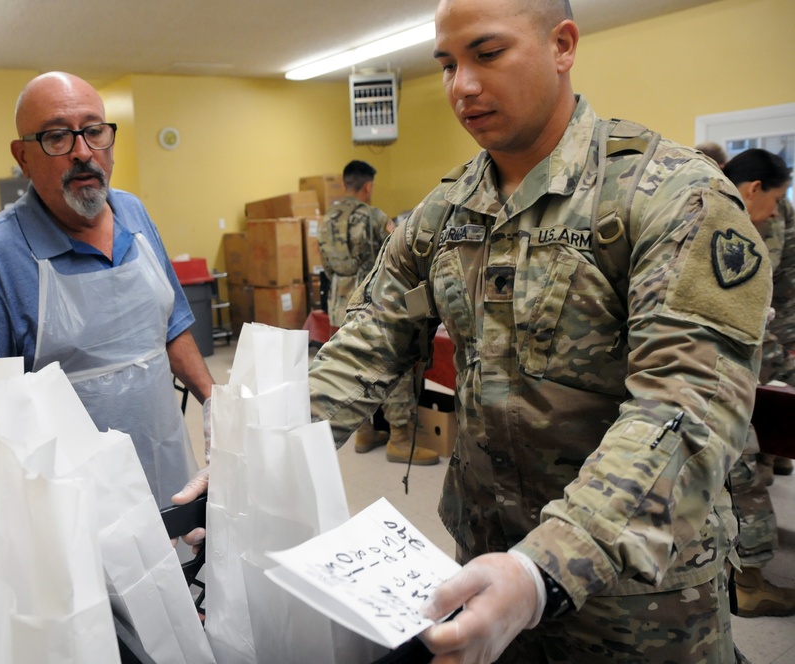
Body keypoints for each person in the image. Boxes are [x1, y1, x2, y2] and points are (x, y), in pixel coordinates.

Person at [307, 0, 772, 661]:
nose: (461, 86)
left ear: (562, 45)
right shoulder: (447, 211)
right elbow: (370, 337)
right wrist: (259, 447)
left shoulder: (669, 193)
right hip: (487, 564)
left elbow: (687, 407)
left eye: (487, 54)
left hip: (636, 598)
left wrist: (544, 568)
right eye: (446, 64)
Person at [0, 71, 214, 509]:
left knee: (177, 566)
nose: (83, 152)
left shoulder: (135, 214)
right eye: (57, 137)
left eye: (94, 131)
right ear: (23, 157)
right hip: (68, 497)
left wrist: (215, 400)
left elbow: (172, 324)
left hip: (165, 462)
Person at [317, 160, 437, 465]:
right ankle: (400, 437)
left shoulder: (326, 217)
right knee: (387, 362)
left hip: (336, 300)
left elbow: (326, 265)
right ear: (368, 186)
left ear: (345, 184)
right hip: (370, 299)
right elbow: (396, 258)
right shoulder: (373, 216)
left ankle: (364, 431)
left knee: (350, 361)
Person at [721, 148, 795, 618]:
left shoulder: (756, 213)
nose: (776, 213)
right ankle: (748, 582)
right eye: (775, 199)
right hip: (710, 369)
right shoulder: (709, 213)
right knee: (740, 465)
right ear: (752, 190)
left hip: (725, 359)